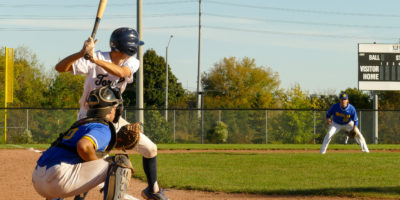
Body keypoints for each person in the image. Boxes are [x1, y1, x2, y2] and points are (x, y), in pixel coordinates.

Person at [54, 27, 168, 200]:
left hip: (113, 119)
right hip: (89, 120)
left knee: (150, 148)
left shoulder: (131, 62)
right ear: (129, 47)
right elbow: (60, 68)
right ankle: (78, 196)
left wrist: (93, 59)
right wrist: (81, 53)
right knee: (92, 164)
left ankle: (152, 190)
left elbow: (122, 73)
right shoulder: (96, 57)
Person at [32, 86, 133, 200]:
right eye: (115, 106)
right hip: (58, 180)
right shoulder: (103, 127)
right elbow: (84, 146)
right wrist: (95, 163)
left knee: (85, 159)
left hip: (38, 178)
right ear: (110, 110)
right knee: (120, 162)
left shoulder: (81, 124)